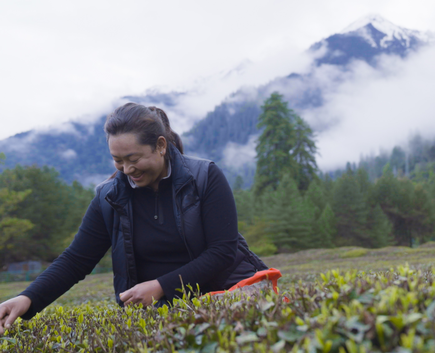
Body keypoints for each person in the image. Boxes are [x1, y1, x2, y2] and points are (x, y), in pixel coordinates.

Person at [0, 103, 269, 334]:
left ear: (160, 146)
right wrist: (28, 298)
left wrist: (162, 286)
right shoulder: (110, 197)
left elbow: (222, 252)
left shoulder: (204, 177)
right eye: (117, 160)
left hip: (228, 293)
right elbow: (75, 260)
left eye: (133, 159)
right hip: (160, 310)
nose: (127, 169)